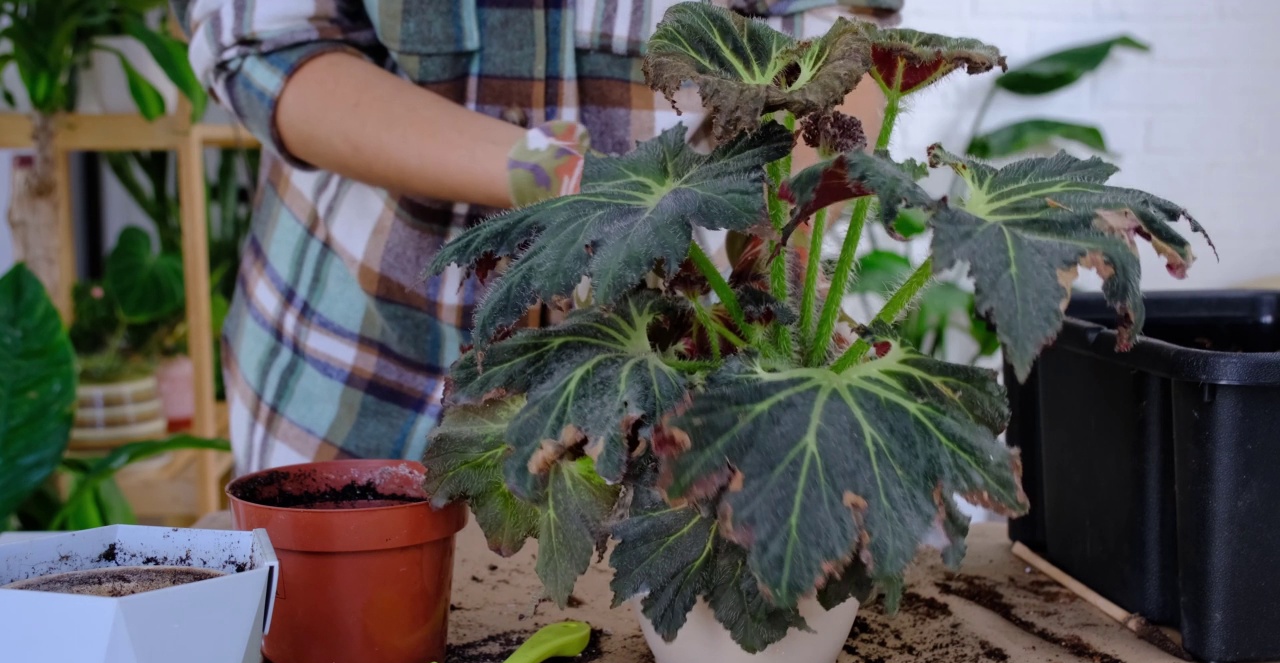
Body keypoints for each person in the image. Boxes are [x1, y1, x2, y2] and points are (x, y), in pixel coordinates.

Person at [176, 0, 903, 474]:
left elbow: (848, 38)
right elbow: (260, 40)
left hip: (685, 401)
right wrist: (559, 178)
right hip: (368, 373)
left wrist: (767, 256)